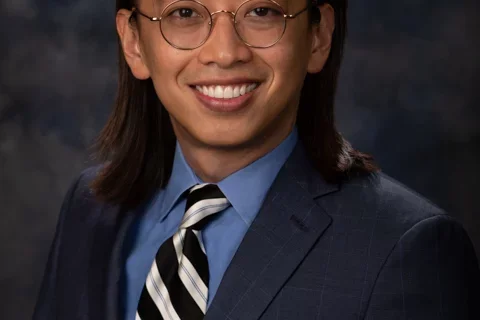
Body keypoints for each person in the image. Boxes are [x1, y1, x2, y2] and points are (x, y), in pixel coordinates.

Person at [33, 0, 480, 319]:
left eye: (262, 12)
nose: (225, 53)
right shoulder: (91, 209)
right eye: (184, 14)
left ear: (319, 35)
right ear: (134, 42)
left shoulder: (407, 251)